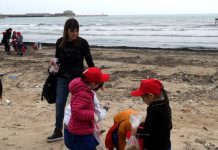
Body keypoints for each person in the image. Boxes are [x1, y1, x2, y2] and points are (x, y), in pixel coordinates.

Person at [47, 18, 95, 142]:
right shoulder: (60, 42)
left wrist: (96, 78)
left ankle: (90, 128)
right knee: (60, 104)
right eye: (72, 31)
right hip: (62, 77)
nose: (75, 33)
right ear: (66, 30)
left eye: (77, 30)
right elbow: (57, 60)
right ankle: (58, 131)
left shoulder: (83, 43)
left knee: (82, 105)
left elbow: (89, 62)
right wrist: (52, 65)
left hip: (79, 79)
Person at [64, 67, 109, 150]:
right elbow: (76, 112)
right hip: (82, 132)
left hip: (73, 128)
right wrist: (92, 114)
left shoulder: (80, 88)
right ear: (93, 83)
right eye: (99, 83)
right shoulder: (84, 94)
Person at [131, 78, 172, 150]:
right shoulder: (165, 105)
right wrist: (145, 123)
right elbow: (165, 126)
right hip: (165, 145)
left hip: (155, 147)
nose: (142, 100)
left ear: (150, 96)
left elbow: (149, 134)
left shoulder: (155, 110)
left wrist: (136, 132)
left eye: (143, 97)